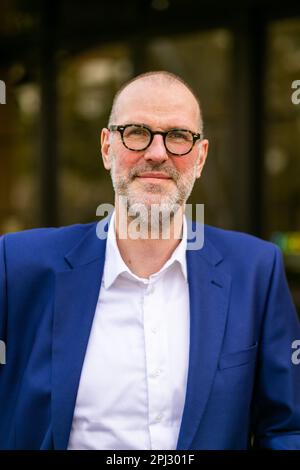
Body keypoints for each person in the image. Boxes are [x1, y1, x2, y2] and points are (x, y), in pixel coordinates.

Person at [0, 71, 300, 450]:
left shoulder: (256, 270)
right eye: (138, 131)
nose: (157, 153)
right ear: (107, 148)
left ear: (201, 156)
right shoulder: (17, 265)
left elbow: (287, 429)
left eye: (178, 136)